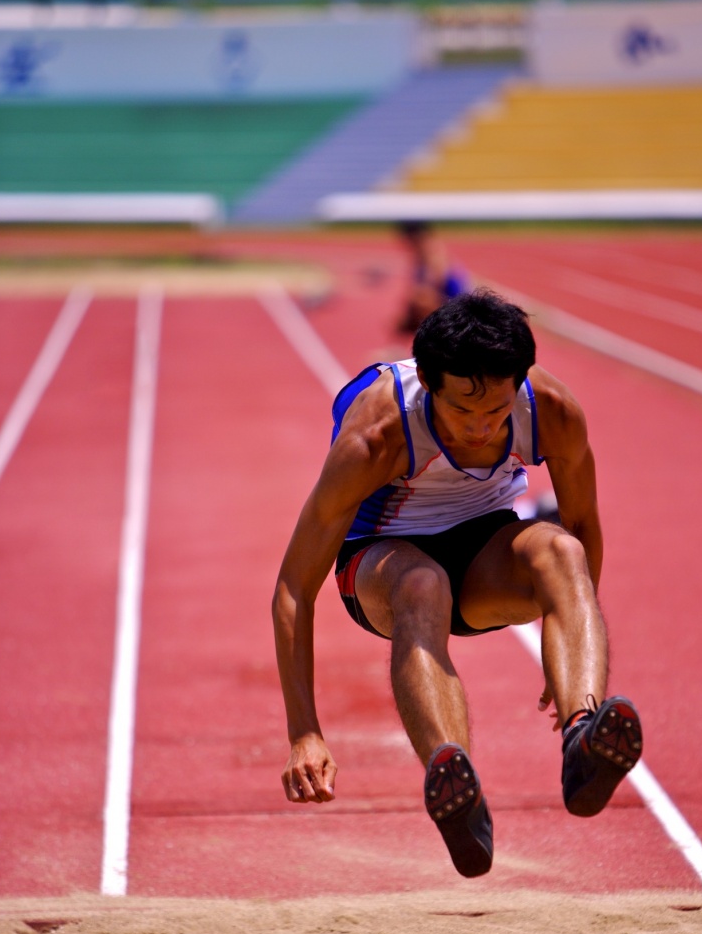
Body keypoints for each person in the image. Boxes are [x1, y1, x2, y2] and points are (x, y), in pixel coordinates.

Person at [272, 289, 642, 879]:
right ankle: (457, 791)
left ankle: (582, 741)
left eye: (495, 412)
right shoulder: (376, 436)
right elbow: (294, 587)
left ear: (519, 383)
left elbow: (582, 525)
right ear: (427, 381)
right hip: (381, 562)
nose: (480, 427)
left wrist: (566, 644)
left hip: (485, 552)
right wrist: (305, 733)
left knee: (561, 549)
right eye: (462, 411)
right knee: (422, 583)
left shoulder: (550, 410)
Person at [395, 220, 470, 336]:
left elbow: (430, 291)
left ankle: (433, 333)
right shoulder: (421, 256)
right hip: (447, 304)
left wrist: (411, 313)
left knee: (419, 301)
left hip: (455, 306)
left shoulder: (433, 255)